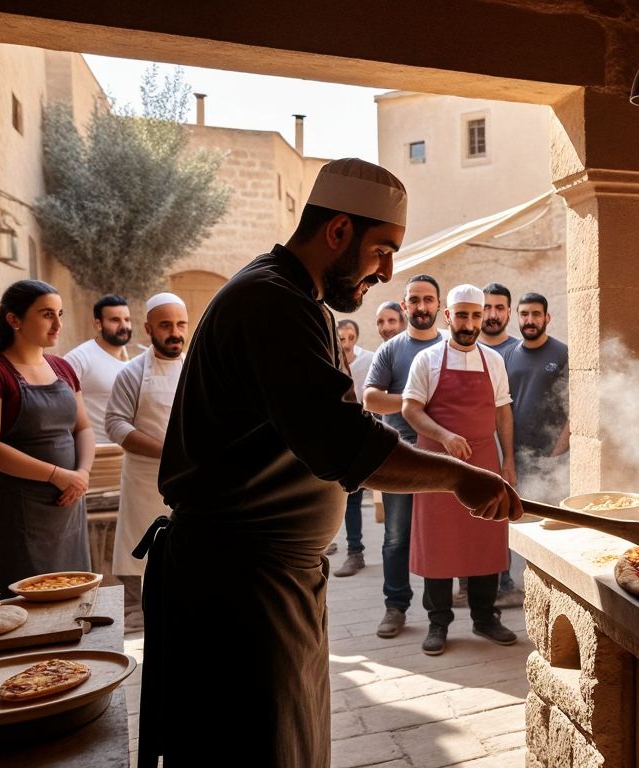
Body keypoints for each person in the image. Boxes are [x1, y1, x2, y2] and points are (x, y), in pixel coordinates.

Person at [139, 158, 520, 768]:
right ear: (338, 231)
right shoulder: (270, 301)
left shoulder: (300, 300)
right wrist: (454, 475)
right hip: (238, 584)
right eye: (382, 251)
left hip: (272, 577)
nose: (388, 271)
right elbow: (342, 442)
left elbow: (334, 423)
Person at [402, 283, 517, 656]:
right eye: (462, 315)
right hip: (436, 467)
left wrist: (508, 463)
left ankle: (485, 617)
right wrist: (445, 435)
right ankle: (438, 623)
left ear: (483, 317)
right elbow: (410, 409)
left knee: (486, 538)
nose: (469, 323)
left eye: (476, 315)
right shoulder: (427, 361)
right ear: (448, 316)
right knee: (438, 542)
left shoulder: (494, 361)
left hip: (484, 463)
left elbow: (503, 411)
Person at [0, 280, 92, 596]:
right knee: (20, 602)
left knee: (71, 591)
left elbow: (83, 428)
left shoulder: (62, 368)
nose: (58, 324)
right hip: (18, 509)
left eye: (59, 313)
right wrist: (57, 475)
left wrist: (82, 476)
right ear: (14, 320)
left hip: (69, 503)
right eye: (47, 314)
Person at [362, 275, 444, 638]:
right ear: (404, 304)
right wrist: (414, 404)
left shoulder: (452, 348)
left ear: (439, 306)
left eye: (428, 300)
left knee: (440, 535)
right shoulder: (391, 350)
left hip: (442, 456)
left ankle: (439, 614)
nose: (421, 306)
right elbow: (370, 399)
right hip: (399, 454)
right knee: (396, 537)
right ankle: (395, 607)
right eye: (415, 300)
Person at [104, 293, 188, 632]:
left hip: (188, 479)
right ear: (148, 328)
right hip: (143, 480)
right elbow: (116, 424)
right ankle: (140, 615)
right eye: (165, 325)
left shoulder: (198, 365)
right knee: (141, 546)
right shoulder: (132, 373)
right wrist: (169, 451)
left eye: (180, 324)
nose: (174, 333)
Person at [504, 292, 571, 496]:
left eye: (536, 314)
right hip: (518, 459)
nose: (530, 320)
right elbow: (503, 408)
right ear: (517, 317)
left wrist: (557, 455)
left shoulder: (563, 353)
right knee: (522, 520)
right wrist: (508, 457)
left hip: (555, 459)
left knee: (556, 521)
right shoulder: (508, 354)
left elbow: (575, 409)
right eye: (524, 314)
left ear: (547, 318)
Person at [330, 318, 375, 575]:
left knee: (355, 498)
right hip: (333, 439)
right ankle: (338, 546)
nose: (345, 343)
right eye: (341, 338)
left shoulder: (367, 361)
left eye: (349, 338)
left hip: (359, 438)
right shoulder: (326, 360)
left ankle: (355, 551)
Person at [62, 294, 133, 443]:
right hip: (95, 453)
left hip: (128, 452)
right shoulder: (79, 359)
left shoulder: (133, 362)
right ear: (98, 324)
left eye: (127, 320)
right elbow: (58, 406)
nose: (124, 326)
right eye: (115, 320)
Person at [480, 281, 520, 355]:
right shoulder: (465, 348)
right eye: (487, 308)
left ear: (509, 312)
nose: (493, 315)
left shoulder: (522, 351)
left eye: (500, 308)